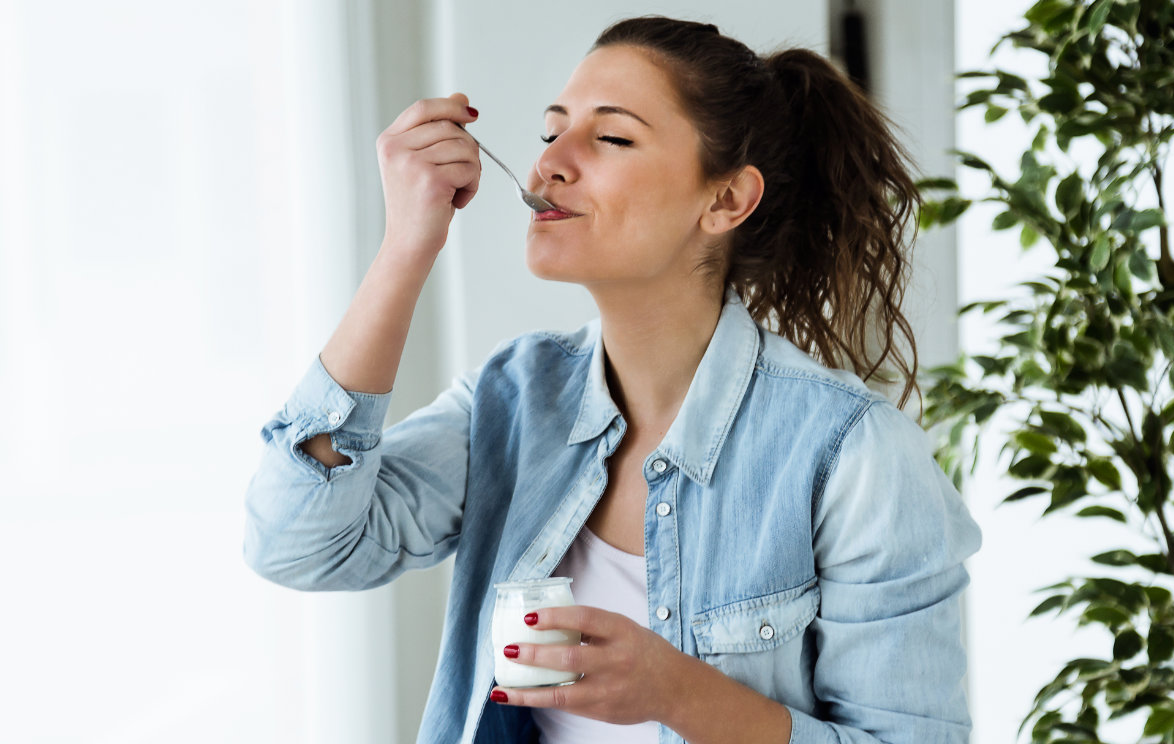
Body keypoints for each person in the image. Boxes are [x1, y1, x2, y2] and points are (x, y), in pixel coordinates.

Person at [244, 15, 982, 744]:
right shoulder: (513, 399)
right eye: (550, 132)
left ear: (725, 200)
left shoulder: (853, 456)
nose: (550, 165)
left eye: (612, 137)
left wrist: (679, 694)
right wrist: (406, 245)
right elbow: (298, 544)